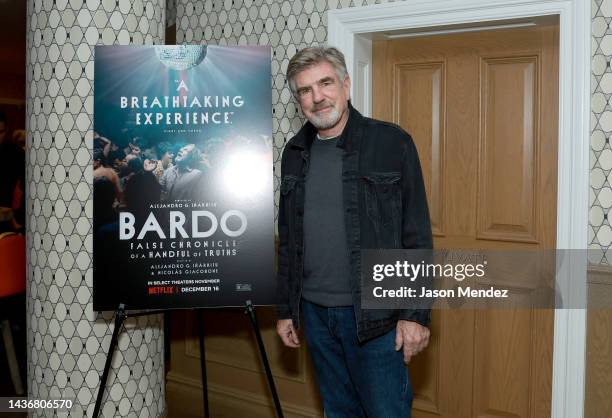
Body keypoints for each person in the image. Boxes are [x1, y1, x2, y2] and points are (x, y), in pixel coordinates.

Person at [275, 47, 433, 418]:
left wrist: (416, 314)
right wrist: (285, 309)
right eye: (305, 90)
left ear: (345, 85)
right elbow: (289, 239)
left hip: (377, 318)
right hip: (314, 315)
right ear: (298, 100)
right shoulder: (294, 152)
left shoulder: (392, 142)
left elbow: (417, 238)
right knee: (338, 412)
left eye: (325, 83)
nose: (317, 97)